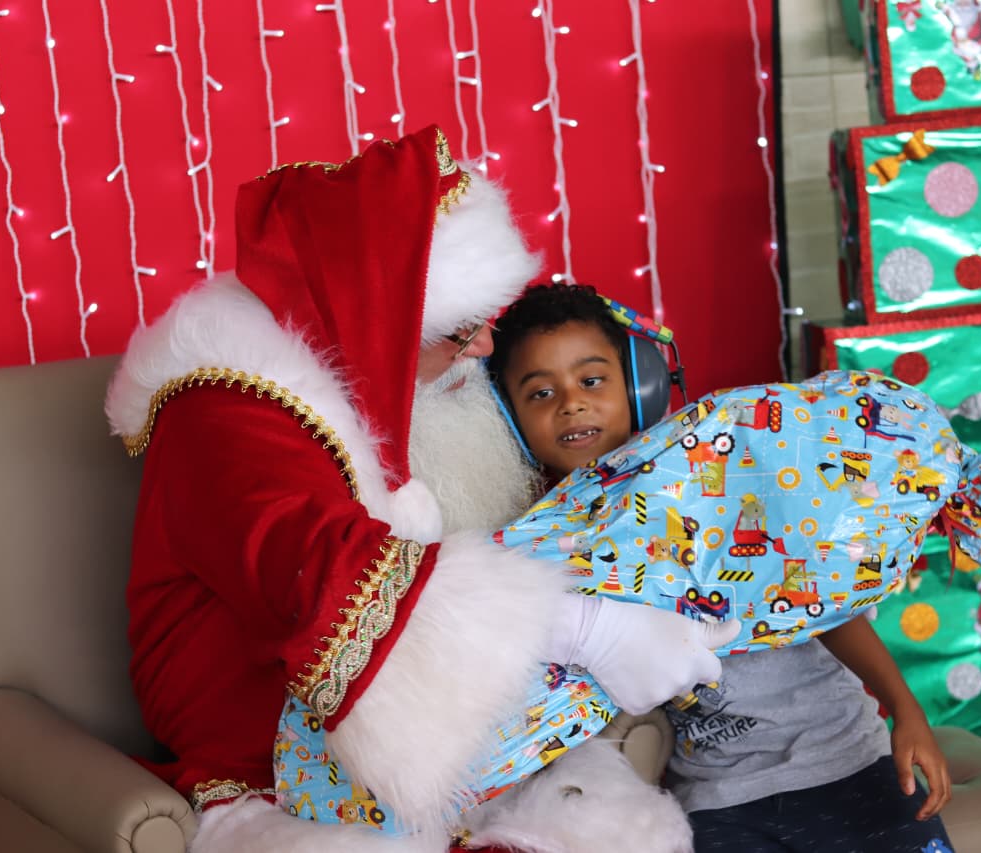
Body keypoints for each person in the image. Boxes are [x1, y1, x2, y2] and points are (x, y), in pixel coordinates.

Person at [104, 126, 734, 852]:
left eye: (487, 322)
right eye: (462, 329)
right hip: (273, 768)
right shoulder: (222, 413)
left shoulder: (397, 383)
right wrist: (591, 630)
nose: (485, 348)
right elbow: (327, 577)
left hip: (455, 746)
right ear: (381, 319)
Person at [489, 282, 956, 852]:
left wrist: (906, 709)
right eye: (540, 392)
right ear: (509, 415)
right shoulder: (541, 542)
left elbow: (823, 604)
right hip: (717, 799)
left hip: (843, 760)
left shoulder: (720, 474)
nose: (571, 403)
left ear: (639, 383)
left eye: (591, 380)